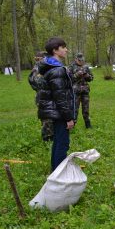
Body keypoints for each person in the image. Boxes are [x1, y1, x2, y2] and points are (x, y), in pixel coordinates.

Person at [37, 37, 75, 171]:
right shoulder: (57, 70)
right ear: (55, 50)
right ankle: (59, 174)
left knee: (58, 141)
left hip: (56, 112)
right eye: (63, 47)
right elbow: (60, 98)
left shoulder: (52, 67)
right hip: (60, 113)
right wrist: (69, 118)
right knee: (62, 143)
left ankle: (55, 171)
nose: (66, 49)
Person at [28, 51, 54, 142]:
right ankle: (47, 139)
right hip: (42, 97)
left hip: (49, 96)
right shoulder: (37, 68)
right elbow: (35, 82)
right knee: (46, 119)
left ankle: (52, 136)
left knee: (51, 118)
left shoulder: (46, 67)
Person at [69, 53, 94, 128]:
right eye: (79, 60)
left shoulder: (86, 67)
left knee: (86, 109)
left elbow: (91, 78)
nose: (81, 61)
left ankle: (88, 124)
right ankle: (72, 125)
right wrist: (77, 75)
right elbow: (68, 79)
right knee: (74, 109)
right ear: (75, 59)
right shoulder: (71, 67)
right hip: (75, 92)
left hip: (85, 91)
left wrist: (87, 76)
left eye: (82, 60)